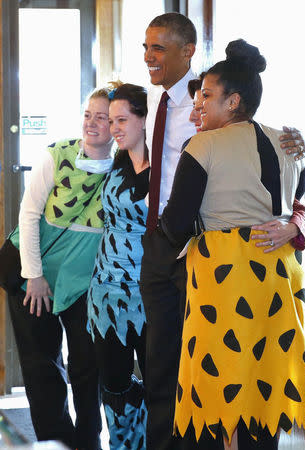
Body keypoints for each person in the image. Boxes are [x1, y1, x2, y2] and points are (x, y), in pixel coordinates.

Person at [140, 12, 305, 450]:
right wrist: (292, 223)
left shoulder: (204, 144)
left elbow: (177, 221)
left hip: (226, 278)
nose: (200, 104)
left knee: (220, 383)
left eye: (208, 96)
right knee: (262, 384)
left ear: (232, 101)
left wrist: (156, 255)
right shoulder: (289, 142)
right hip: (279, 280)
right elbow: (298, 201)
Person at [7, 87, 115, 450]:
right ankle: (57, 442)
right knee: (42, 367)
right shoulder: (59, 154)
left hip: (83, 283)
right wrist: (33, 276)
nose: (93, 123)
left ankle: (89, 441)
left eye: (103, 117)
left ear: (117, 124)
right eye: (89, 114)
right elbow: (29, 214)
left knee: (88, 363)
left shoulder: (124, 168)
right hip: (31, 274)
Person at [87, 82, 149, 450]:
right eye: (112, 121)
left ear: (145, 119)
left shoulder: (170, 166)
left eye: (122, 120)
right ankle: (124, 446)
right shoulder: (117, 162)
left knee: (160, 382)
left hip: (150, 293)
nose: (114, 129)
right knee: (113, 383)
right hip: (105, 295)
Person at [186, 75, 305, 252]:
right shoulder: (198, 148)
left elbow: (295, 203)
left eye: (203, 107)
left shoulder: (272, 146)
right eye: (195, 107)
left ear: (231, 104)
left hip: (238, 260)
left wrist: (294, 227)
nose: (194, 116)